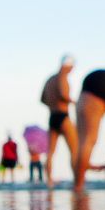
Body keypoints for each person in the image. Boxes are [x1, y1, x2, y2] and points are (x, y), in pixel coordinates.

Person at [40, 55, 79, 187]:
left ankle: (49, 181)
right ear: (67, 66)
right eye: (72, 67)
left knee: (50, 152)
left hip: (52, 117)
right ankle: (77, 181)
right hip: (63, 115)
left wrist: (52, 105)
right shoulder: (62, 77)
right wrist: (75, 102)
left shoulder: (49, 79)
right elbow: (63, 94)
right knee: (75, 149)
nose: (72, 70)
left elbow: (42, 99)